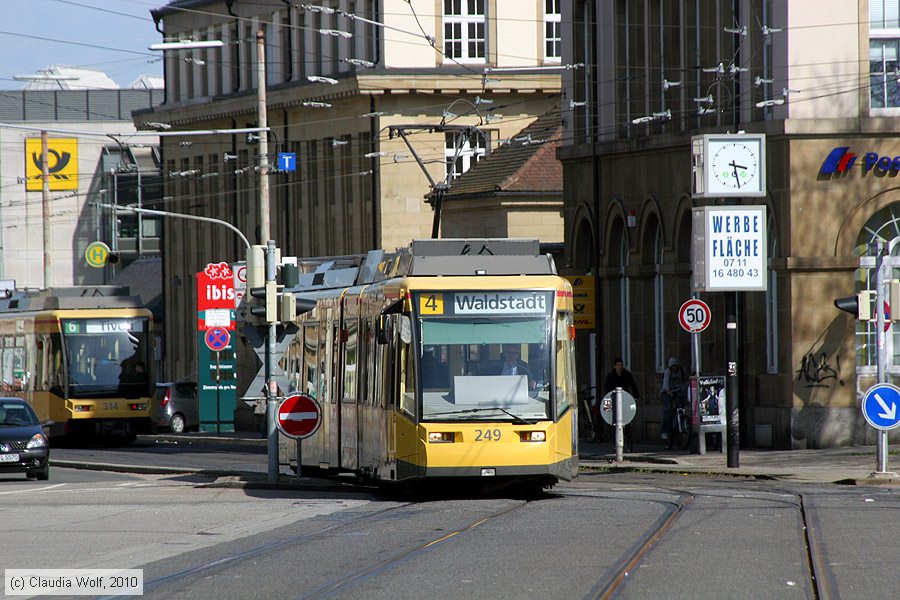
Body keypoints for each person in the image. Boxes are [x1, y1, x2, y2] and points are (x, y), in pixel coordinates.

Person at [596, 358, 641, 442]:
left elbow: (633, 385)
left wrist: (637, 396)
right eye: (618, 365)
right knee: (611, 415)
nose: (620, 367)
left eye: (621, 365)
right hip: (613, 398)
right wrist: (607, 398)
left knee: (626, 416)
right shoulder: (610, 376)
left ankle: (627, 434)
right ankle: (612, 432)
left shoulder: (627, 374)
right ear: (614, 366)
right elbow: (606, 388)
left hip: (624, 398)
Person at [659, 356, 688, 448]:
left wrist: (683, 390)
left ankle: (682, 423)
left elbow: (686, 382)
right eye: (673, 366)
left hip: (678, 390)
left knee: (681, 408)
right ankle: (665, 431)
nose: (674, 368)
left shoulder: (682, 371)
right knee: (668, 410)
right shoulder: (668, 372)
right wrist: (669, 391)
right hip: (667, 391)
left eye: (676, 366)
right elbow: (665, 384)